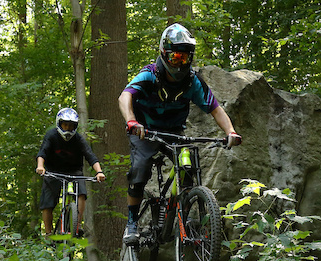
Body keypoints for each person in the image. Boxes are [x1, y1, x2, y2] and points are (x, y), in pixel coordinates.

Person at [117, 23, 242, 245]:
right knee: (140, 169)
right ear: (164, 54)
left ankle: (185, 212)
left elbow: (214, 108)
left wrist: (230, 131)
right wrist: (131, 121)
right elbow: (125, 96)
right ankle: (132, 223)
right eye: (175, 57)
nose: (180, 63)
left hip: (174, 131)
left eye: (185, 58)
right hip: (145, 129)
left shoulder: (193, 81)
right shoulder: (149, 75)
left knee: (188, 167)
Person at [36, 107, 105, 237]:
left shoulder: (78, 139)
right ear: (59, 123)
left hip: (74, 171)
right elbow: (42, 153)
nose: (67, 128)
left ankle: (76, 227)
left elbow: (91, 156)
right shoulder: (51, 136)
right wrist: (41, 166)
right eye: (65, 125)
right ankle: (48, 233)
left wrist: (99, 172)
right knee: (48, 202)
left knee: (81, 193)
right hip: (53, 171)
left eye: (71, 126)